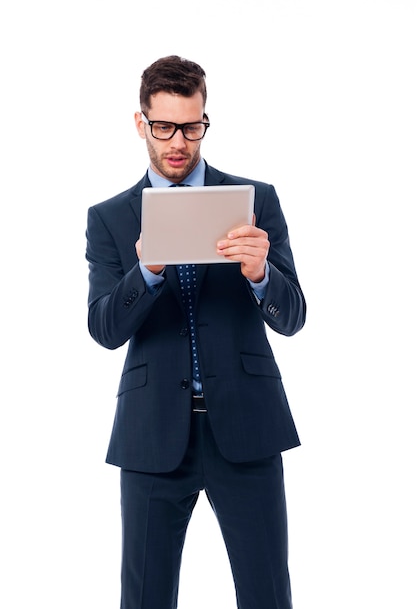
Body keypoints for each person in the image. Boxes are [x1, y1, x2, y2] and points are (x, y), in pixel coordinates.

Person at [86, 55, 306, 609]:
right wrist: (146, 271)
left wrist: (261, 276)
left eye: (191, 125)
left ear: (205, 119)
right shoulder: (111, 217)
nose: (178, 142)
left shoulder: (257, 201)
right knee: (144, 598)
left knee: (268, 595)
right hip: (152, 435)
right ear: (142, 124)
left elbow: (294, 317)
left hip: (247, 430)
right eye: (164, 127)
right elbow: (105, 329)